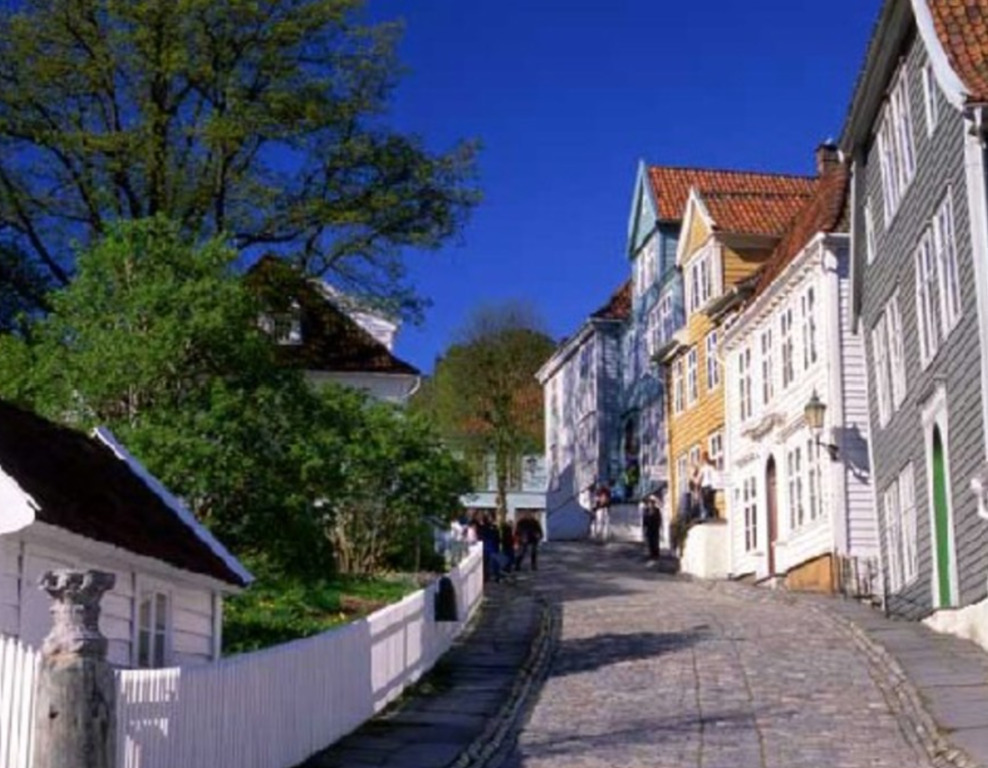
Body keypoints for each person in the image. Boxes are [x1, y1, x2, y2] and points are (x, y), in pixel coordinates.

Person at [642, 492, 662, 561]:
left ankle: (656, 554)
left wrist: (659, 526)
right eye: (650, 503)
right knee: (650, 541)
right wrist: (644, 527)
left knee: (655, 541)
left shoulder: (657, 510)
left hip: (655, 528)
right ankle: (651, 554)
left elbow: (659, 519)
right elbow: (644, 519)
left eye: (652, 503)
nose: (651, 505)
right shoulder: (646, 510)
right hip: (649, 528)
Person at [699, 452, 718, 521]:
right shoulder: (712, 466)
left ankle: (706, 516)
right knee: (711, 502)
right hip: (712, 486)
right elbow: (716, 474)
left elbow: (698, 479)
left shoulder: (704, 468)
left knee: (705, 503)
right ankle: (712, 515)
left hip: (706, 486)